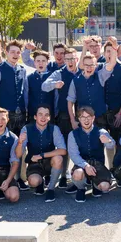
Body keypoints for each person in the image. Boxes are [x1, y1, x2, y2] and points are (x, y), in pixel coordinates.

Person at [42, 47, 80, 190]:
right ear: (64, 60)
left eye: (73, 58)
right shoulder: (59, 73)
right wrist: (54, 85)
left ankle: (79, 176)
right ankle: (63, 176)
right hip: (64, 115)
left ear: (77, 59)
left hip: (82, 116)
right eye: (67, 59)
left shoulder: (82, 71)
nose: (70, 61)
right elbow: (44, 86)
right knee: (65, 147)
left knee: (79, 146)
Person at [15, 107, 67, 202]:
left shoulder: (54, 129)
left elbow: (63, 150)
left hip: (49, 161)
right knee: (33, 182)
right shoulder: (26, 129)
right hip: (34, 163)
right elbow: (18, 155)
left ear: (49, 118)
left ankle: (51, 189)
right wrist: (19, 143)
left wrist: (42, 155)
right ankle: (40, 183)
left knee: (58, 158)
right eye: (40, 114)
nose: (43, 117)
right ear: (35, 117)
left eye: (46, 115)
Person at [68, 106, 117, 203]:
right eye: (83, 117)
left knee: (105, 187)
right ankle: (81, 188)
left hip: (98, 165)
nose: (86, 120)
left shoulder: (101, 132)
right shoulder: (73, 134)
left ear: (93, 118)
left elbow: (112, 145)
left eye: (88, 117)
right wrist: (86, 166)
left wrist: (108, 141)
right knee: (78, 173)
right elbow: (74, 155)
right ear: (79, 119)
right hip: (81, 165)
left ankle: (95, 185)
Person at [66, 54, 116, 139]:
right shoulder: (75, 80)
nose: (89, 68)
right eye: (86, 65)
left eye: (92, 65)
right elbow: (70, 101)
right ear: (83, 66)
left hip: (100, 118)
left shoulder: (100, 76)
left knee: (101, 143)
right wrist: (72, 120)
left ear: (96, 65)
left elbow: (111, 64)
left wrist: (114, 47)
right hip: (83, 119)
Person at [0, 40, 28, 136]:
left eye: (18, 52)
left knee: (21, 145)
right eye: (12, 52)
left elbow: (25, 93)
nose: (15, 54)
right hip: (4, 116)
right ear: (6, 52)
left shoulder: (23, 70)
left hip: (21, 114)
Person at [100, 40, 121, 142]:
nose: (110, 54)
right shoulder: (98, 68)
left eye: (112, 51)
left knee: (117, 141)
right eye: (107, 51)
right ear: (103, 53)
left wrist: (120, 113)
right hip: (100, 112)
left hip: (115, 112)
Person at [27, 50, 54, 120]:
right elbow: (26, 96)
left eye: (43, 61)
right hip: (33, 114)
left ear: (47, 62)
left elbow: (56, 96)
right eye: (38, 61)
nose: (40, 63)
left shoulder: (53, 76)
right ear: (34, 62)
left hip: (49, 114)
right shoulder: (29, 77)